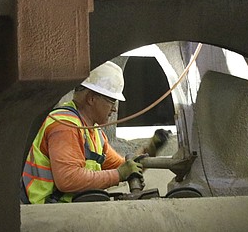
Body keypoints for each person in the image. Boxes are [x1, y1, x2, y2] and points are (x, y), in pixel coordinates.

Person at [21, 61, 160, 204]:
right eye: (112, 101)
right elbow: (67, 179)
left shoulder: (93, 131)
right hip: (46, 212)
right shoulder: (65, 126)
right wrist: (118, 175)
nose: (114, 109)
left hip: (67, 208)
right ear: (91, 98)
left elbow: (122, 168)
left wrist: (150, 149)